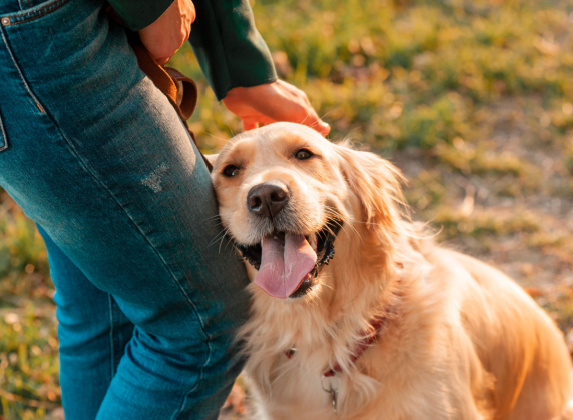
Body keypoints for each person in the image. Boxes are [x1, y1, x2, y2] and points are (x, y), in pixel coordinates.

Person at [0, 0, 329, 418]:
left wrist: (238, 61)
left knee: (106, 305)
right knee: (200, 325)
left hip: (33, 34)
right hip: (39, 36)